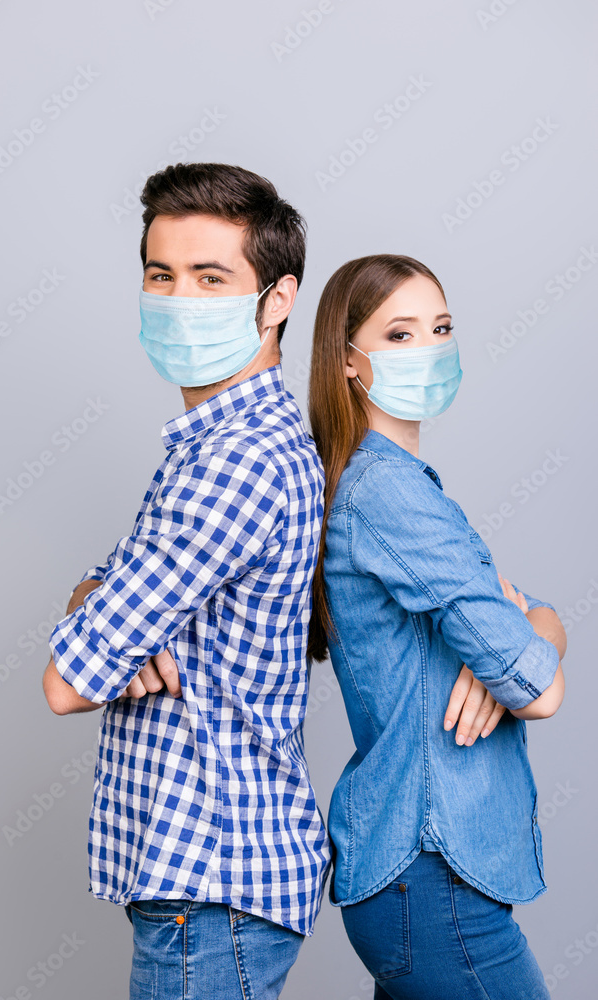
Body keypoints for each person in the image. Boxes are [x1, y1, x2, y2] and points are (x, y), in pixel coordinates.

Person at [42, 162, 333, 1000]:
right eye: (160, 275)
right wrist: (104, 605)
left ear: (276, 299)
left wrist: (102, 622)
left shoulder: (235, 464)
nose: (179, 298)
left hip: (211, 886)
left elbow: (67, 683)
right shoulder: (217, 446)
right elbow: (105, 596)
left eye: (212, 278)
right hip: (213, 886)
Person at [307, 254, 566, 1000]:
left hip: (420, 878)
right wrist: (527, 644)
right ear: (349, 362)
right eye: (399, 333)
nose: (428, 348)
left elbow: (525, 643)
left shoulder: (391, 485)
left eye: (440, 328)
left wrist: (532, 631)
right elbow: (538, 687)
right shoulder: (389, 493)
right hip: (431, 871)